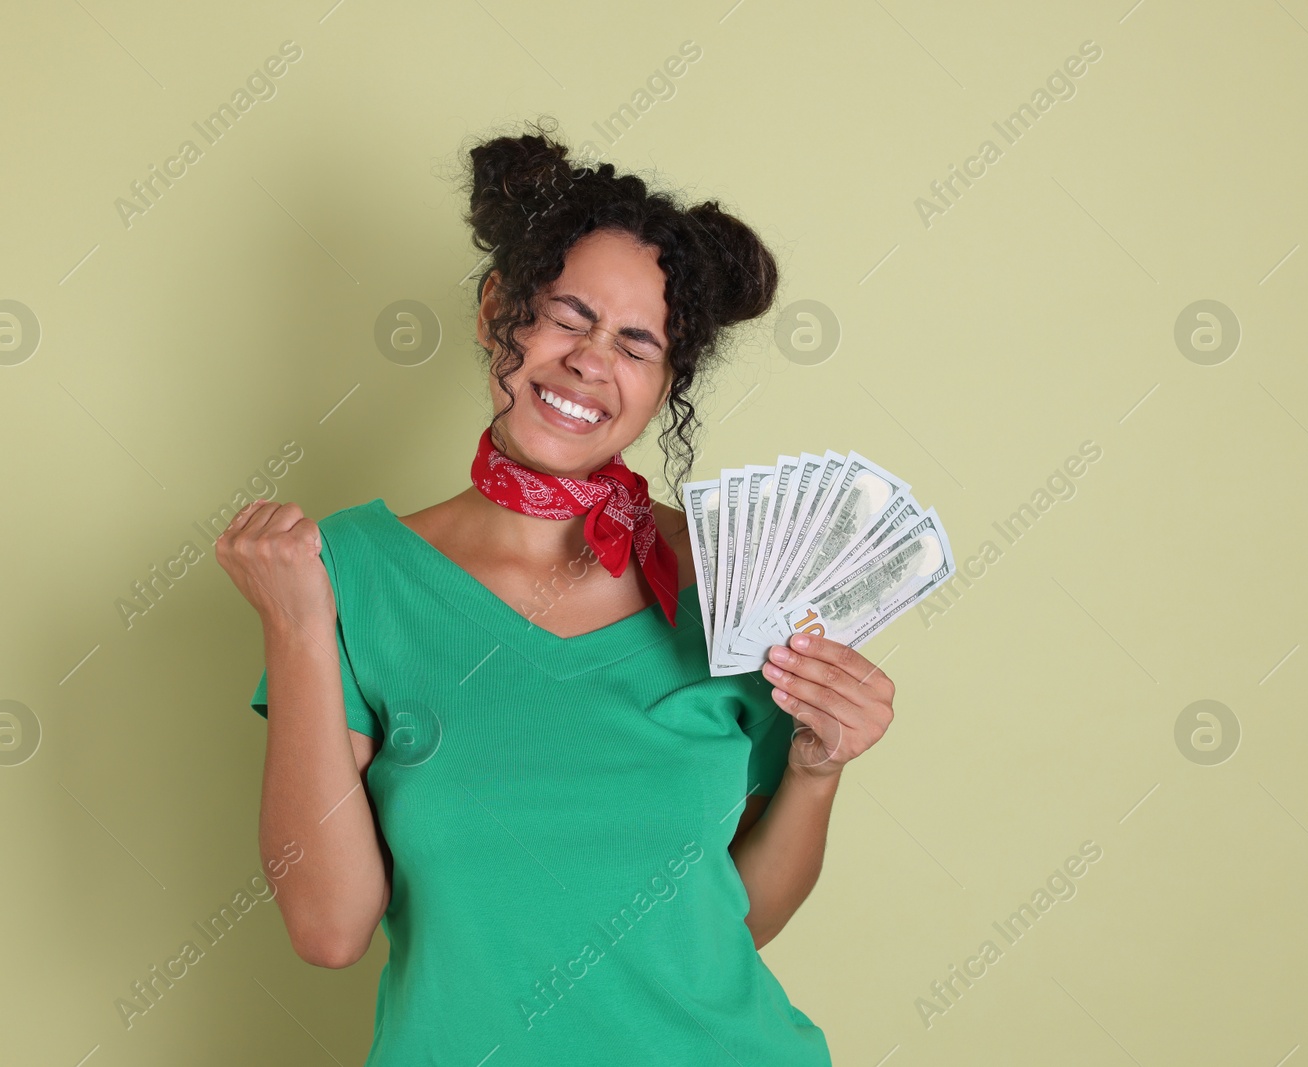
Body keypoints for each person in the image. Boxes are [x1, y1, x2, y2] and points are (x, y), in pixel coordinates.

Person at [215, 120, 896, 1066]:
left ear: (667, 382)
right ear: (503, 307)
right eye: (569, 316)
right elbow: (329, 929)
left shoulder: (737, 578)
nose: (589, 361)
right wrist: (296, 625)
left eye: (637, 343)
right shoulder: (352, 572)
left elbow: (728, 926)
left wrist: (819, 770)